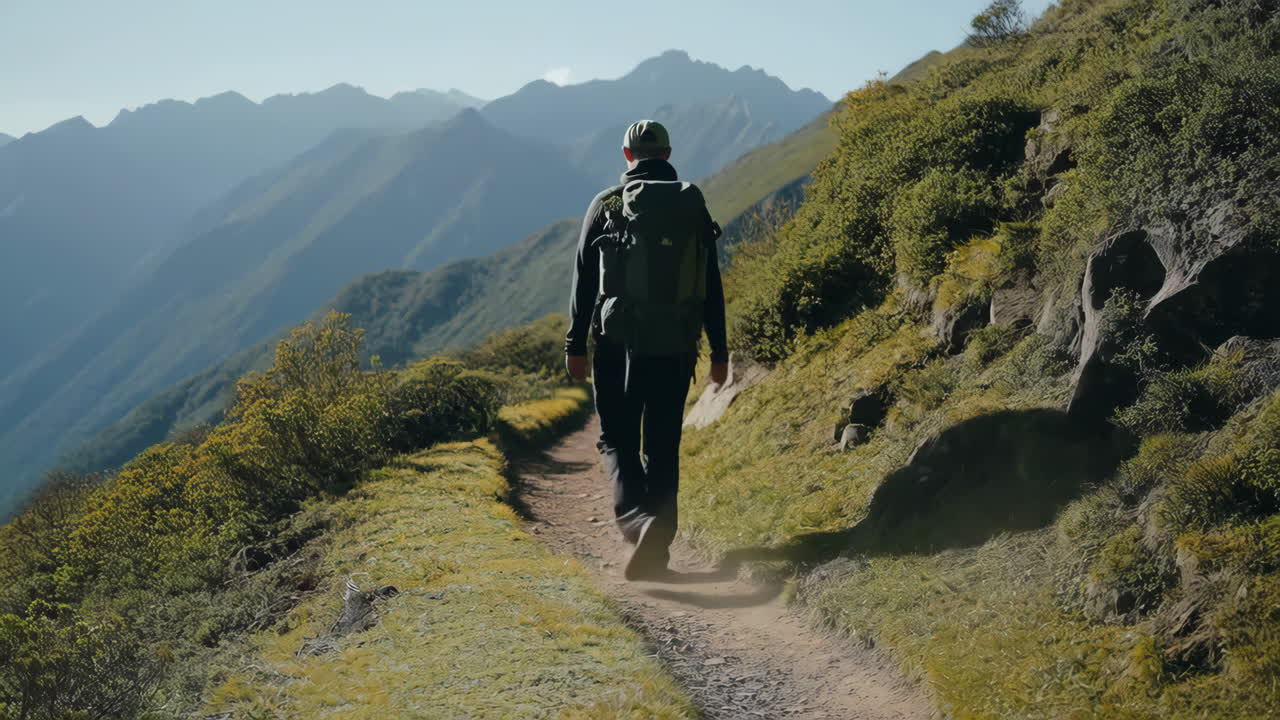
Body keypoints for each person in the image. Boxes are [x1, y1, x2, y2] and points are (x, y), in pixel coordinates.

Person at [564, 119, 729, 581]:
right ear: (669, 154)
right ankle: (658, 545)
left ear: (627, 156)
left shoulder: (606, 203)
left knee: (616, 438)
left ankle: (638, 523)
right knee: (662, 444)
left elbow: (582, 278)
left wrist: (575, 344)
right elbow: (710, 281)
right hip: (676, 344)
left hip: (616, 345)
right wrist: (719, 350)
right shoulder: (691, 203)